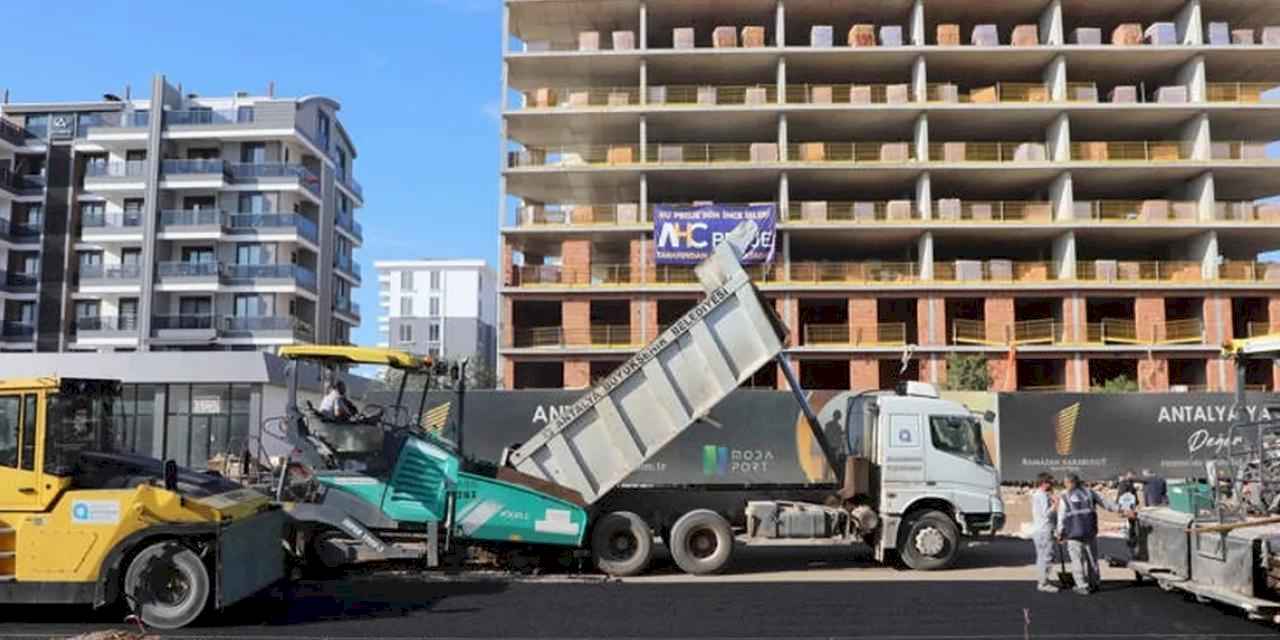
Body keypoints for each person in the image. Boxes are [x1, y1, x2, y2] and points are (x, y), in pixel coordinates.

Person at [1056, 473, 1123, 595]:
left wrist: (1060, 533)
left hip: (1073, 534)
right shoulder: (1089, 493)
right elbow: (1106, 503)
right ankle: (1094, 583)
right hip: (1089, 532)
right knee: (1092, 559)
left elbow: (1061, 517)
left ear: (1070, 483)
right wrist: (1120, 509)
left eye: (1066, 483)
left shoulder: (1065, 497)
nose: (1065, 485)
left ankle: (1081, 585)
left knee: (1077, 560)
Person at [1030, 472, 1060, 593]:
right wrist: (1056, 504)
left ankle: (1042, 580)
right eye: (1050, 482)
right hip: (1044, 529)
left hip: (1039, 529)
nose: (1052, 484)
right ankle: (1043, 583)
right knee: (1047, 556)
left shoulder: (1040, 495)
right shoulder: (1041, 495)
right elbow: (1045, 514)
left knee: (1041, 557)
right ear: (1044, 483)